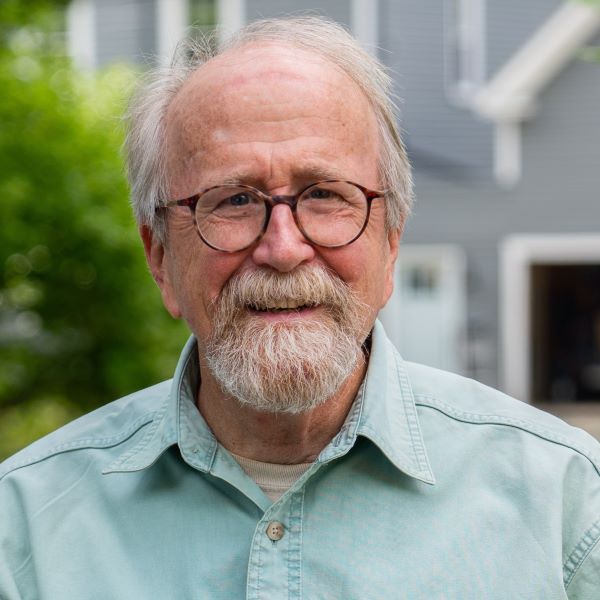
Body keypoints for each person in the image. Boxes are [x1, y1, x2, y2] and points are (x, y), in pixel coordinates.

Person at [1, 16, 599, 599]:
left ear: (389, 244)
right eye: (232, 200)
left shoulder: (568, 505)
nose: (283, 249)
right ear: (160, 258)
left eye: (324, 195)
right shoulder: (22, 530)